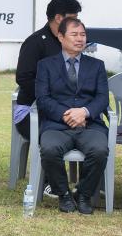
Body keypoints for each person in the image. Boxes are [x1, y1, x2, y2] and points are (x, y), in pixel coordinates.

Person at [35, 17, 109, 215]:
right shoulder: (45, 65)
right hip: (57, 125)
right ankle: (64, 194)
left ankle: (83, 194)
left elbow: (102, 98)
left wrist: (84, 112)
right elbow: (42, 99)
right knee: (49, 150)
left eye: (83, 35)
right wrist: (65, 114)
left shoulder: (97, 65)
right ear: (61, 37)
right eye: (74, 34)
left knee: (99, 150)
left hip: (89, 124)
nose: (80, 39)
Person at [14, 0, 81, 198]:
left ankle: (91, 184)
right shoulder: (35, 42)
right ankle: (51, 183)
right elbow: (23, 78)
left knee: (92, 127)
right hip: (32, 111)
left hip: (66, 109)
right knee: (53, 130)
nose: (77, 23)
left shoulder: (74, 42)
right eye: (73, 18)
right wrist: (52, 97)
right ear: (59, 18)